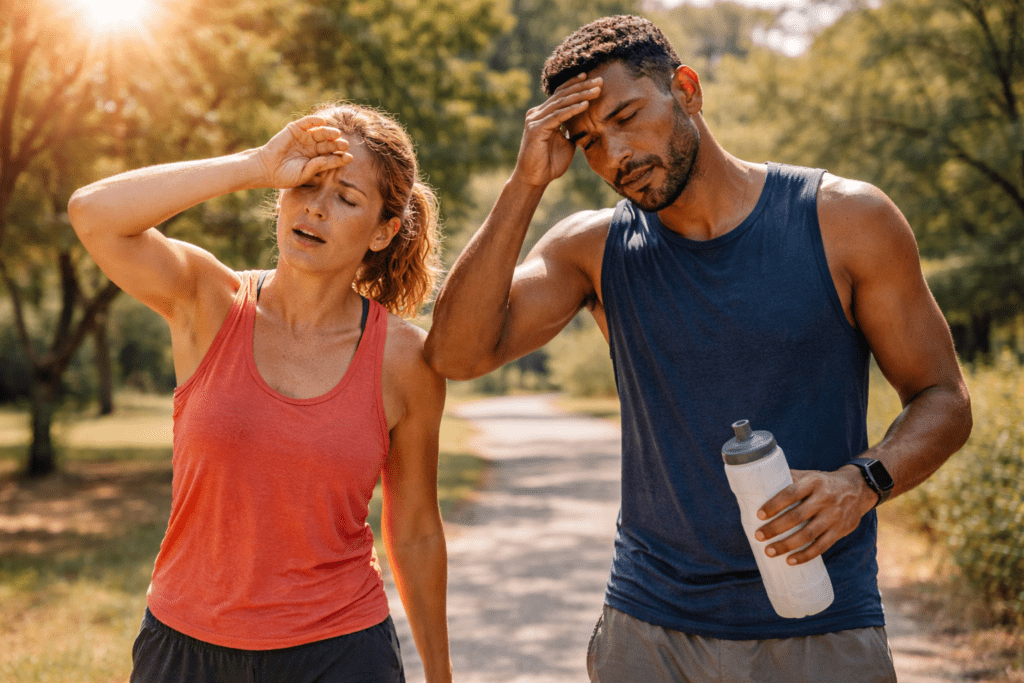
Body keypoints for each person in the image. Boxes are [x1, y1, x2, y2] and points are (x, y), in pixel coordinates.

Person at [425, 15, 972, 683]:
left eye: (627, 116)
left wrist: (861, 483)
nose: (616, 153)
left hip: (819, 623)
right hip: (646, 631)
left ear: (686, 89)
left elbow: (943, 397)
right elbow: (455, 354)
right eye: (589, 141)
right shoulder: (592, 249)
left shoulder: (846, 220)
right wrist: (526, 183)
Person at [69, 102, 452, 683]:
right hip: (186, 646)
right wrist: (255, 163)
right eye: (305, 185)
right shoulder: (207, 300)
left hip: (341, 650)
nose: (316, 209)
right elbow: (93, 212)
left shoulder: (405, 360)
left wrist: (441, 675)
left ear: (383, 232)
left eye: (346, 198)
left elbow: (417, 528)